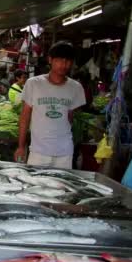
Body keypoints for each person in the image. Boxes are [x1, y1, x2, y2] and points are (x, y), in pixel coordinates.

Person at [14, 41, 86, 169]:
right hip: (38, 151)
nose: (64, 65)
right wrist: (20, 147)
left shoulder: (76, 87)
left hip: (65, 152)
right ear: (50, 60)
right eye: (59, 60)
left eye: (68, 61)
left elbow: (70, 117)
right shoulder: (33, 83)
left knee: (60, 187)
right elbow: (25, 118)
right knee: (36, 187)